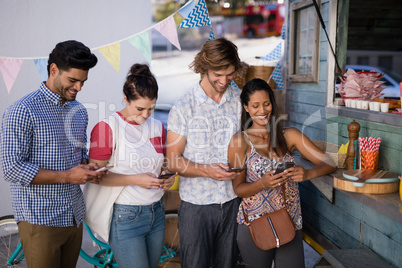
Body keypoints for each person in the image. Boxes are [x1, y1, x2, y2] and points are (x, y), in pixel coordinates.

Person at [0, 40, 99, 268]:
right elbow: (12, 169)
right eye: (72, 80)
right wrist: (67, 176)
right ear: (53, 69)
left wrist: (88, 168)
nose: (79, 88)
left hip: (74, 217)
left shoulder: (79, 110)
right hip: (40, 220)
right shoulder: (22, 111)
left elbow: (78, 156)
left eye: (83, 82)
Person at [227, 78, 337, 268]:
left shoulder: (290, 135)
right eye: (255, 106)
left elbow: (330, 163)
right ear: (246, 107)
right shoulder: (239, 142)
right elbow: (238, 189)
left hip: (290, 221)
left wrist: (308, 174)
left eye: (266, 104)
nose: (262, 111)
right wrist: (262, 183)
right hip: (254, 223)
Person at [88, 63, 176, 268]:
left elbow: (160, 163)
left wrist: (166, 175)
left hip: (156, 213)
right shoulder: (107, 128)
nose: (146, 115)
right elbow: (95, 176)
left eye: (151, 108)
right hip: (126, 217)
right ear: (126, 99)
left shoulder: (156, 126)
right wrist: (136, 180)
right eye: (140, 108)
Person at [166, 37, 242, 268]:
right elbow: (172, 161)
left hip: (233, 202)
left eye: (229, 74)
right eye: (218, 74)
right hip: (196, 207)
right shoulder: (184, 107)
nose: (224, 80)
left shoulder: (240, 100)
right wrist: (207, 171)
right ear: (204, 67)